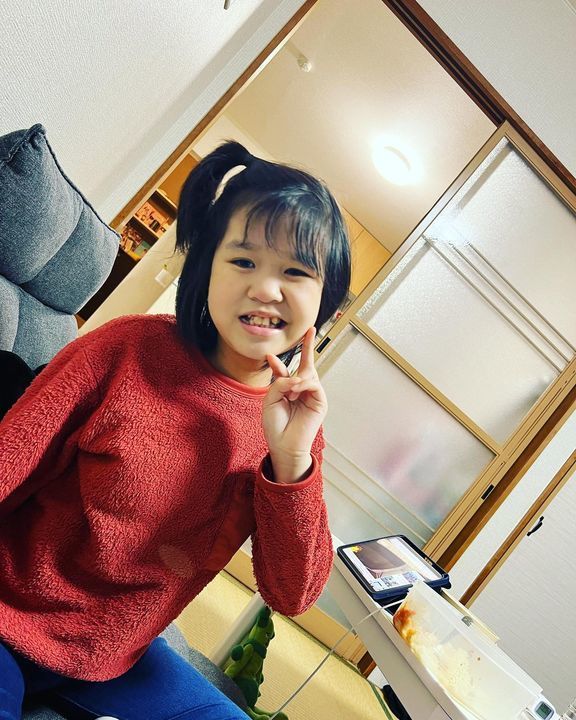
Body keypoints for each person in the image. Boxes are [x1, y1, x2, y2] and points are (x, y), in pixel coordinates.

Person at [0, 140, 351, 720]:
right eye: (243, 261)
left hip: (114, 659)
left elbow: (293, 594)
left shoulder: (296, 425)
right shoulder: (127, 349)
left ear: (325, 301)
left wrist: (291, 464)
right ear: (207, 267)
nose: (266, 289)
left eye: (295, 271)